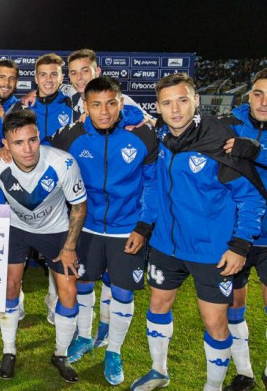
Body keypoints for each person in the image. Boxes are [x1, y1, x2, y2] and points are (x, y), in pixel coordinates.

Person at [129, 73, 266, 391]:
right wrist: (145, 226)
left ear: (195, 101)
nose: (175, 109)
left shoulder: (220, 141)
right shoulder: (161, 136)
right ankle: (158, 371)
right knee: (158, 306)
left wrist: (240, 245)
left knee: (215, 321)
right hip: (165, 245)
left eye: (182, 100)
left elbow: (250, 197)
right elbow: (156, 186)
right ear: (159, 108)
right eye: (167, 103)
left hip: (212, 252)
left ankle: (213, 387)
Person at [50, 76, 158, 385]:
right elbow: (38, 154)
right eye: (96, 105)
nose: (104, 111)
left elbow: (152, 183)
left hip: (128, 228)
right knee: (83, 283)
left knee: (122, 291)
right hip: (87, 226)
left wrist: (143, 225)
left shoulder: (143, 135)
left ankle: (114, 350)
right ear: (85, 107)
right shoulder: (69, 136)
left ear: (122, 103)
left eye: (111, 103)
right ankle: (84, 337)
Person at [0, 109, 87, 382]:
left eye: (32, 140)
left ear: (39, 136)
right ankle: (9, 351)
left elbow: (79, 205)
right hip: (16, 229)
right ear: (6, 145)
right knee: (10, 286)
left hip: (55, 231)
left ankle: (60, 354)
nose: (28, 149)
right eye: (18, 143)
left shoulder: (63, 163)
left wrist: (69, 247)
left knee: (68, 291)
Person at [219, 68, 267, 391]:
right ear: (248, 94)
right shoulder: (229, 126)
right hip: (235, 234)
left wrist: (257, 150)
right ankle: (245, 371)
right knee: (234, 304)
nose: (264, 102)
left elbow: (253, 153)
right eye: (259, 93)